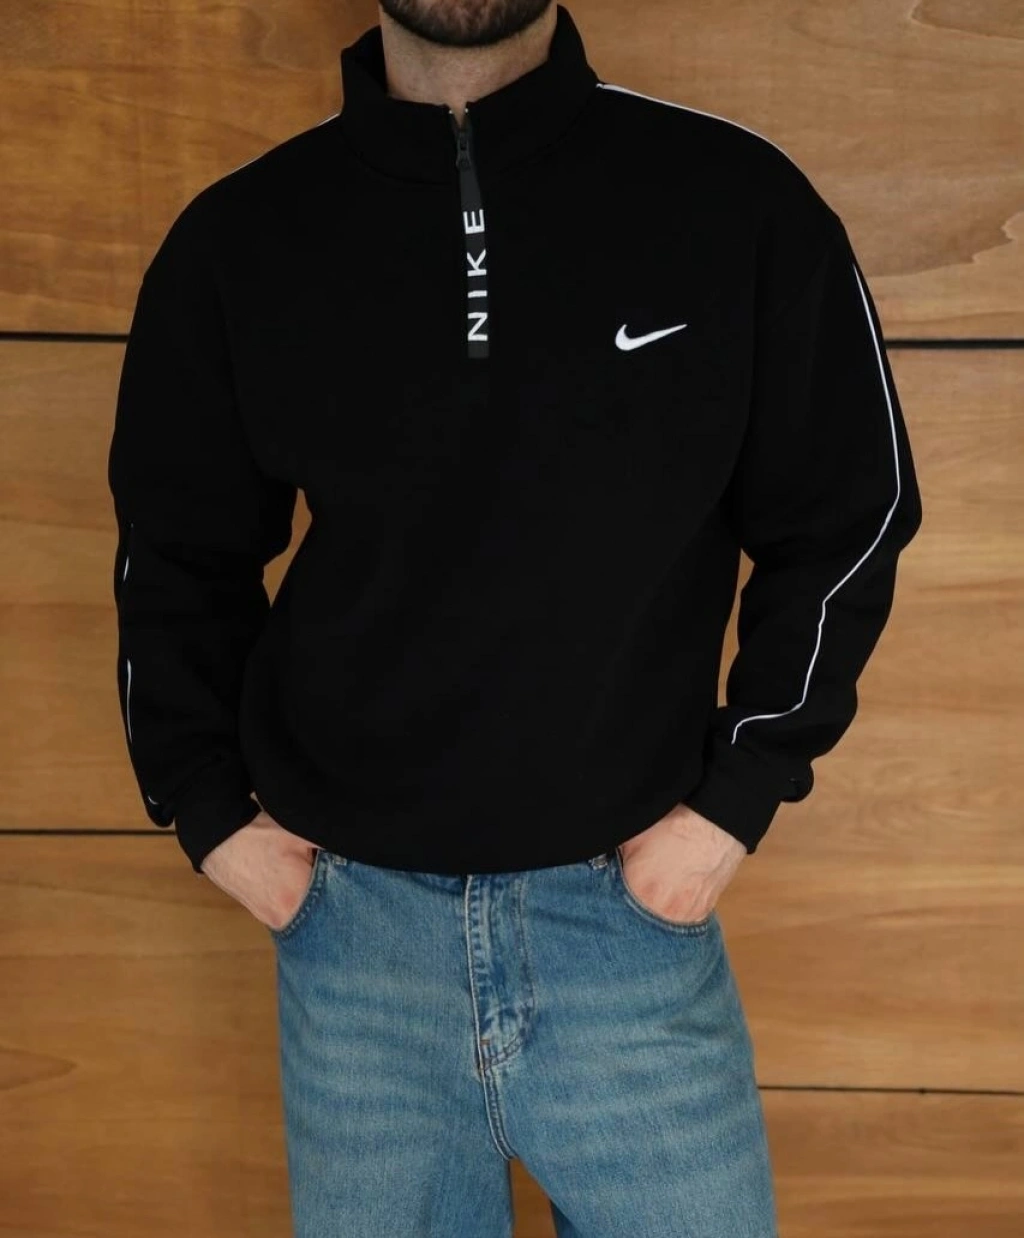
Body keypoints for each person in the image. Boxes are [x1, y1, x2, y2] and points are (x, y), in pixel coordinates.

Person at [107, 2, 923, 1234]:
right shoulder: (240, 238)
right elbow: (176, 556)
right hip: (354, 944)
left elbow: (851, 511)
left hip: (627, 927)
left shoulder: (734, 200)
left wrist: (736, 798)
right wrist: (208, 811)